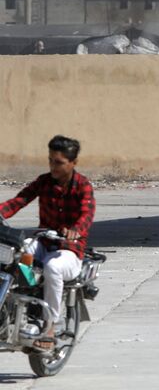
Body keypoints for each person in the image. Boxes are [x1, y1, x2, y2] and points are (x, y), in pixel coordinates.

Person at [0, 135, 95, 350]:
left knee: (53, 267)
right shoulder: (44, 181)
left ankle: (50, 326)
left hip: (70, 251)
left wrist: (75, 231)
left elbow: (86, 216)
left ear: (73, 163)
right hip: (44, 244)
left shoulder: (83, 186)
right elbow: (20, 200)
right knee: (15, 252)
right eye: (51, 160)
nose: (53, 166)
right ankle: (20, 306)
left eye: (59, 162)